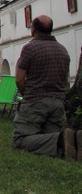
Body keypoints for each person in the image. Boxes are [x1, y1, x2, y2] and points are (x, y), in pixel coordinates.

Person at [13, 15, 74, 159]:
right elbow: (65, 80)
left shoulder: (30, 48)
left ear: (33, 30)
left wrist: (26, 94)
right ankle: (66, 141)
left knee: (21, 140)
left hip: (35, 100)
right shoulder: (63, 50)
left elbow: (19, 79)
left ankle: (61, 140)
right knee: (48, 135)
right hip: (58, 103)